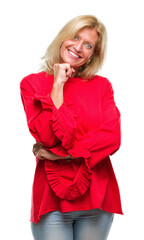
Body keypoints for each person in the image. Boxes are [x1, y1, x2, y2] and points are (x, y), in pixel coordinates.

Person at [20, 15, 123, 240]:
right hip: (51, 200)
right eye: (75, 37)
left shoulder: (102, 86)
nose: (78, 47)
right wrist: (57, 86)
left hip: (97, 197)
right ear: (63, 38)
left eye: (88, 45)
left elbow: (112, 139)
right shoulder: (32, 84)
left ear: (92, 56)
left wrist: (61, 157)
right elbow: (47, 138)